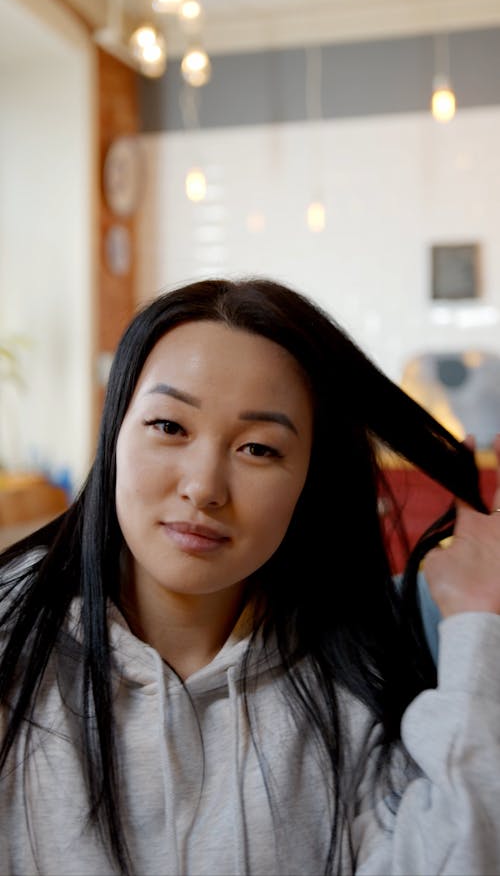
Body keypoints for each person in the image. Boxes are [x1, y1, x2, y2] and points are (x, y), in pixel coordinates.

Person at [1, 276, 499, 876]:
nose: (204, 487)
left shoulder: (361, 676)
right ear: (114, 433)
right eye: (169, 426)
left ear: (310, 478)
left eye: (259, 448)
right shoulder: (15, 648)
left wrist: (477, 621)